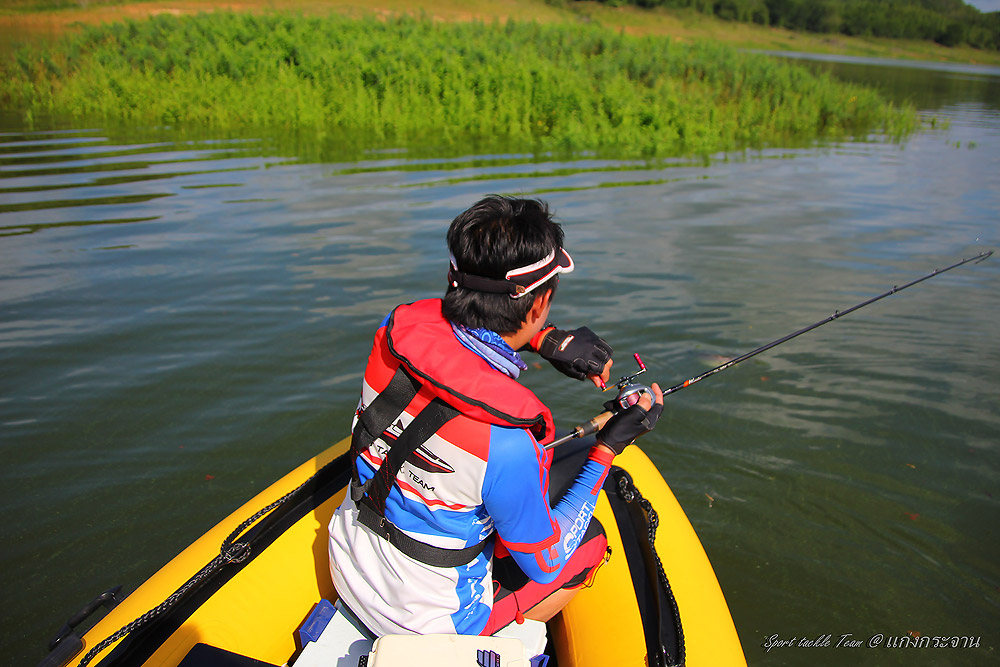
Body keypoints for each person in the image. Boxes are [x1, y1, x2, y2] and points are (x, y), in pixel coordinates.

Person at [328, 195, 664, 637]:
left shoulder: (392, 333)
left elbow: (452, 339)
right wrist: (608, 448)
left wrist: (542, 339)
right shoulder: (505, 440)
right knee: (591, 541)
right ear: (540, 302)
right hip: (429, 624)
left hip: (346, 564)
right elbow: (545, 565)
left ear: (454, 277)